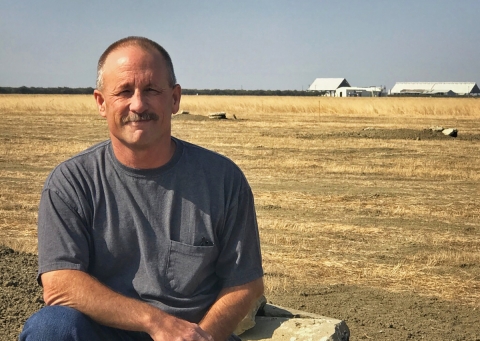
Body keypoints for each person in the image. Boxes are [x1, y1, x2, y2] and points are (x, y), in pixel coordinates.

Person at [20, 36, 264, 341]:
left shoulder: (223, 180)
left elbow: (245, 285)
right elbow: (59, 285)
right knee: (51, 328)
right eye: (124, 91)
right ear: (101, 102)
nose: (138, 104)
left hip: (193, 334)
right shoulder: (71, 183)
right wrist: (156, 322)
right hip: (104, 333)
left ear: (174, 99)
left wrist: (201, 336)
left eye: (151, 90)